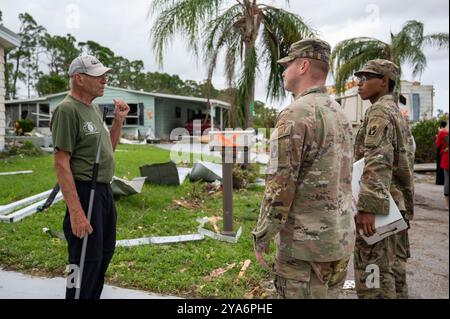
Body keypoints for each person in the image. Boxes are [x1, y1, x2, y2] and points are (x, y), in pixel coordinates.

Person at [252, 38, 355, 299]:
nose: (283, 71)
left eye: (287, 65)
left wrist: (263, 235)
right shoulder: (339, 112)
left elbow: (280, 186)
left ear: (303, 66)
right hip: (338, 242)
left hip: (304, 250)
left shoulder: (295, 114)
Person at [51, 55, 130, 299]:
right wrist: (76, 212)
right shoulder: (67, 110)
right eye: (99, 76)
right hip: (86, 193)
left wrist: (118, 122)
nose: (105, 80)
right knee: (83, 260)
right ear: (79, 78)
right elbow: (61, 163)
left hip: (104, 192)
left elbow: (108, 150)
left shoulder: (93, 108)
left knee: (102, 256)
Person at [353, 59, 415, 299]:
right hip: (395, 206)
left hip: (380, 209)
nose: (360, 83)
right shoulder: (394, 111)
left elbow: (378, 160)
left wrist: (368, 207)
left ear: (384, 81)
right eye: (360, 77)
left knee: (374, 277)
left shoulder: (380, 111)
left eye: (367, 77)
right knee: (394, 272)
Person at [436, 120, 449, 209]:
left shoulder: (443, 133)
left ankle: (447, 204)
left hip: (446, 159)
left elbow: (438, 144)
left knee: (447, 181)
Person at [436, 120, 448, 185]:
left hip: (440, 150)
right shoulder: (443, 132)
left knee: (440, 166)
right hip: (443, 150)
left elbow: (438, 142)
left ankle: (440, 180)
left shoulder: (441, 131)